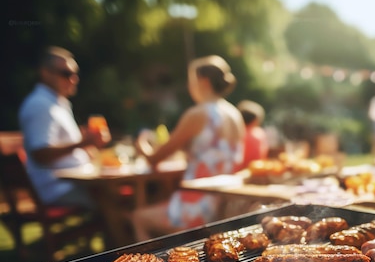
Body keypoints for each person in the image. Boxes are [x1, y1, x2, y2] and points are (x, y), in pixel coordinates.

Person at [131, 55, 245, 241]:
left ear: (204, 81)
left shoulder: (197, 114)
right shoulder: (235, 115)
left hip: (197, 208)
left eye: (191, 80)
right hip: (225, 206)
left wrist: (141, 144)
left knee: (138, 217)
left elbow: (154, 158)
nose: (189, 86)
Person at [18, 46, 111, 210]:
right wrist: (82, 144)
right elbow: (40, 154)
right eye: (66, 74)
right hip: (58, 188)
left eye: (75, 74)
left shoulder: (58, 103)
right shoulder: (40, 105)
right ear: (45, 73)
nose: (73, 79)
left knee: (124, 194)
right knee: (112, 199)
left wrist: (87, 146)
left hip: (75, 181)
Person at [237, 99, 269, 169]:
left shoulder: (235, 133)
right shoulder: (259, 134)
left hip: (236, 172)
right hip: (255, 170)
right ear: (255, 120)